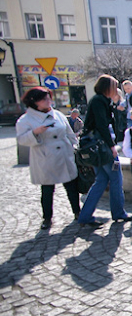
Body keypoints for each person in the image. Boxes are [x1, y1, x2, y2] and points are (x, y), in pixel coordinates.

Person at [16, 87, 81, 229]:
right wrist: (35, 133)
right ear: (34, 101)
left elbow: (70, 134)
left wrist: (74, 147)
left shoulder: (57, 114)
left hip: (64, 156)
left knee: (71, 186)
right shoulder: (26, 120)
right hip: (45, 158)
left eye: (48, 98)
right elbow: (21, 139)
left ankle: (77, 212)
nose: (48, 101)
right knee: (47, 189)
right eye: (44, 99)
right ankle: (47, 218)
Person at [77, 75, 132, 226]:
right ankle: (118, 212)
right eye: (114, 86)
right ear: (107, 87)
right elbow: (103, 126)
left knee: (101, 180)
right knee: (116, 178)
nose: (116, 90)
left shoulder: (100, 101)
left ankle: (85, 215)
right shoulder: (99, 101)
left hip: (97, 148)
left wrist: (115, 105)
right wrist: (111, 147)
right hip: (102, 148)